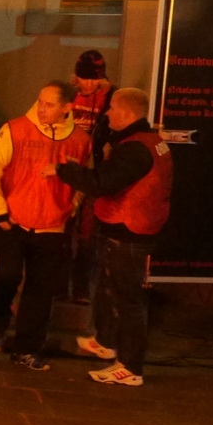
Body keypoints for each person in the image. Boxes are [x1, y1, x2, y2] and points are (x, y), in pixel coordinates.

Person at [48, 87, 171, 387]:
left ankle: (130, 366)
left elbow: (103, 182)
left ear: (127, 114)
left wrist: (62, 171)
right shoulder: (151, 142)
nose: (107, 113)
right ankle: (107, 341)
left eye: (112, 108)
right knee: (109, 288)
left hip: (129, 232)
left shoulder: (134, 149)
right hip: (126, 228)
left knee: (128, 299)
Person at [0, 80, 92, 370]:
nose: (42, 108)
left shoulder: (81, 140)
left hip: (52, 226)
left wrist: (70, 208)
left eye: (50, 104)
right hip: (12, 222)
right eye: (40, 102)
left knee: (40, 292)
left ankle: (26, 349)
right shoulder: (15, 129)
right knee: (7, 276)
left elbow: (82, 180)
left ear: (68, 107)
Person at [67, 50, 117, 300]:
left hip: (93, 171)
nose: (87, 85)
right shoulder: (68, 95)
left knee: (88, 233)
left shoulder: (112, 97)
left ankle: (81, 286)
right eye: (82, 78)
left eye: (92, 79)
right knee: (62, 229)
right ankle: (57, 285)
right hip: (68, 167)